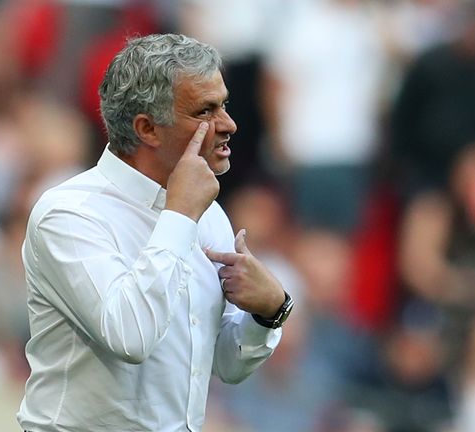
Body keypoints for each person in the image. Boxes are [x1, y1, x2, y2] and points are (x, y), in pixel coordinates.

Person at [16, 33, 294, 432]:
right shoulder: (68, 214)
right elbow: (131, 337)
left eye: (224, 105)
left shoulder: (208, 213)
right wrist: (178, 216)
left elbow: (224, 366)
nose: (228, 124)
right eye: (205, 111)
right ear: (147, 128)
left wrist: (268, 313)